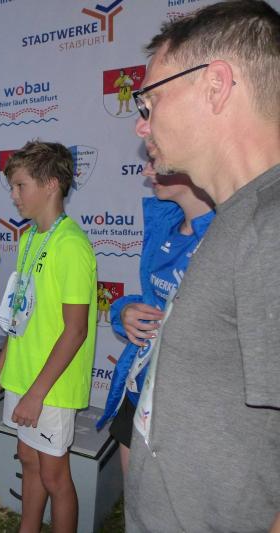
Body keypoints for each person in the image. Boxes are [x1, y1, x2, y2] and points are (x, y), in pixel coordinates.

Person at [127, 2, 280, 530]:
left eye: (150, 101)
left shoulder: (270, 226)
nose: (141, 125)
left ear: (215, 85)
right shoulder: (239, 219)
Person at [0, 141, 97, 533]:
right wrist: (2, 364)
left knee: (54, 476)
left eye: (21, 186)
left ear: (50, 185)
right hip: (22, 374)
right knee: (28, 461)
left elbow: (76, 330)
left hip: (50, 386)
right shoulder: (30, 237)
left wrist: (36, 393)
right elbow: (20, 311)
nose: (14, 196)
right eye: (12, 187)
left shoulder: (72, 245)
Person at [96, 160, 214, 476]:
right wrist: (124, 311)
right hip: (140, 389)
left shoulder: (226, 235)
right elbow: (154, 304)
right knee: (134, 497)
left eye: (157, 160)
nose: (147, 172)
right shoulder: (165, 223)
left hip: (186, 405)